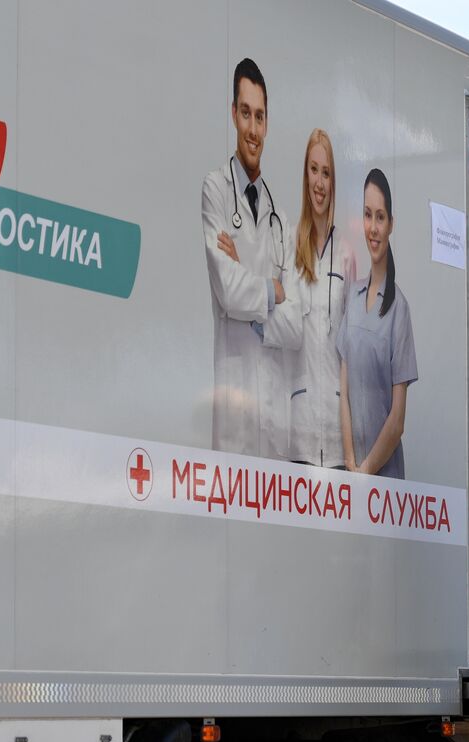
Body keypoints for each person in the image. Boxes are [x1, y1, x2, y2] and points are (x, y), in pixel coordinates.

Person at [202, 57, 302, 459]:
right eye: (246, 114)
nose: (253, 128)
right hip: (236, 411)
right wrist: (274, 290)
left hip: (274, 416)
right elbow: (228, 290)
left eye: (260, 117)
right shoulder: (216, 190)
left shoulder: (282, 223)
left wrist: (252, 287)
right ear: (233, 115)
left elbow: (296, 327)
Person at [337, 168, 417, 478]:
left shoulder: (399, 308)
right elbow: (344, 394)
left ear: (391, 224)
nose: (373, 227)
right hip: (352, 470)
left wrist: (367, 469)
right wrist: (350, 462)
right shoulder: (353, 298)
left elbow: (397, 420)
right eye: (367, 215)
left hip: (384, 477)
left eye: (380, 217)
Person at [286, 129, 355, 468]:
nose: (319, 182)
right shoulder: (288, 245)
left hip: (337, 429)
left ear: (333, 182)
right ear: (305, 175)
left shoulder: (346, 254)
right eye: (314, 170)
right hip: (299, 427)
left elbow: (353, 345)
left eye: (326, 173)